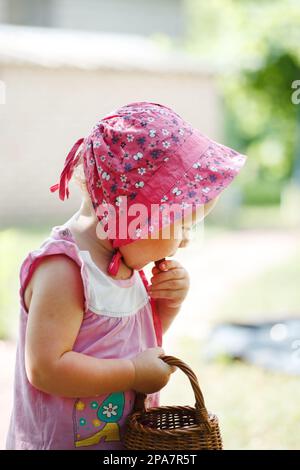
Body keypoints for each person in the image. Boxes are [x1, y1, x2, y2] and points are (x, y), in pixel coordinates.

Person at [6, 101, 246, 450]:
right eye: (183, 224)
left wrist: (167, 306)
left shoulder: (124, 264)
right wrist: (133, 373)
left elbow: (130, 341)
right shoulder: (65, 269)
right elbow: (46, 368)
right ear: (136, 212)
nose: (186, 239)